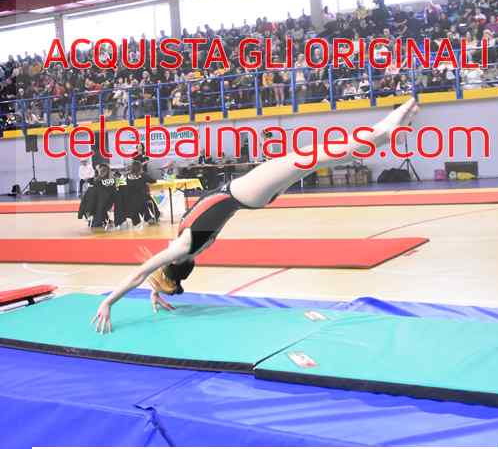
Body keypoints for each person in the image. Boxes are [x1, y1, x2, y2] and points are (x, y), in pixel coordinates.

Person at [92, 98, 419, 332]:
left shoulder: (185, 248)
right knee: (318, 155)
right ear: (173, 264)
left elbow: (155, 273)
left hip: (251, 195)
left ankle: (385, 130)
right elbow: (139, 273)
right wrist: (108, 302)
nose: (160, 261)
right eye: (165, 268)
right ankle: (383, 132)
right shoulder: (183, 246)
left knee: (319, 157)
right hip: (245, 192)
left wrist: (161, 287)